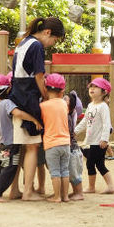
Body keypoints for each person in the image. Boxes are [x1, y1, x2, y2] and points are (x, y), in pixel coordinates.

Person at [9, 17, 65, 201]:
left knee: (19, 147)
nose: (52, 44)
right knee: (32, 146)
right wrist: (45, 95)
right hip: (28, 96)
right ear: (48, 32)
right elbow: (39, 77)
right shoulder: (37, 46)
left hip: (16, 94)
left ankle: (15, 189)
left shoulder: (23, 42)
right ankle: (27, 192)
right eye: (55, 40)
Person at [0, 74, 43, 202]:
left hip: (3, 143)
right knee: (9, 169)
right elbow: (18, 113)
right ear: (7, 90)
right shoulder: (7, 103)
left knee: (0, 167)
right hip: (11, 143)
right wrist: (34, 120)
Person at [75, 78, 114, 194]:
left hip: (98, 141)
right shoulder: (90, 105)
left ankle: (103, 187)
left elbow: (107, 124)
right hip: (90, 140)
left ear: (104, 92)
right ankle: (93, 187)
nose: (92, 88)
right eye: (91, 86)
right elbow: (85, 121)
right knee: (94, 163)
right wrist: (76, 131)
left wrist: (104, 139)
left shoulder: (103, 106)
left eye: (96, 87)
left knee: (95, 164)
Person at [40, 73, 71, 203]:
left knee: (55, 172)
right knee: (64, 170)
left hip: (51, 143)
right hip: (65, 143)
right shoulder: (64, 104)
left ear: (45, 89)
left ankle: (57, 196)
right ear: (62, 90)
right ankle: (65, 196)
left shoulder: (43, 106)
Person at [64, 91, 85, 201]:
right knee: (70, 171)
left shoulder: (69, 115)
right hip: (71, 149)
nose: (63, 100)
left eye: (65, 99)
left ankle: (79, 193)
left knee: (74, 173)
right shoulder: (68, 114)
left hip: (73, 150)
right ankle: (75, 191)